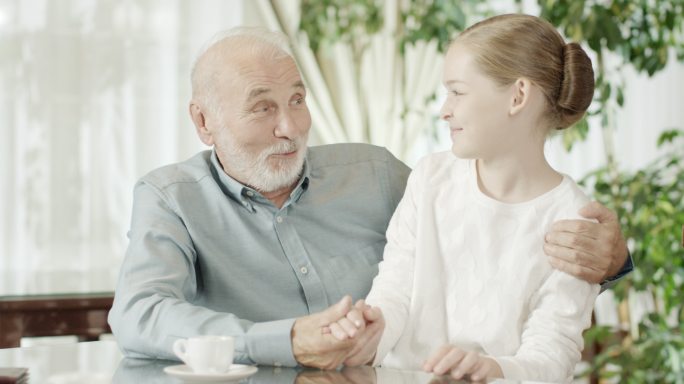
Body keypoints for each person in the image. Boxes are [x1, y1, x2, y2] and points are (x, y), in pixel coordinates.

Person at [107, 26, 632, 370]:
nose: (290, 128)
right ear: (204, 122)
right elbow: (139, 313)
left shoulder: (381, 174)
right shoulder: (170, 199)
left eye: (297, 100)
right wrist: (283, 340)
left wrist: (612, 261)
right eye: (262, 109)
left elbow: (489, 228)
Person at [326, 14, 619, 382]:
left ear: (518, 96)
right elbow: (394, 291)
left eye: (458, 91)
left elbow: (551, 355)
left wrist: (494, 369)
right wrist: (373, 329)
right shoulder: (431, 178)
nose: (444, 109)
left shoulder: (574, 222)